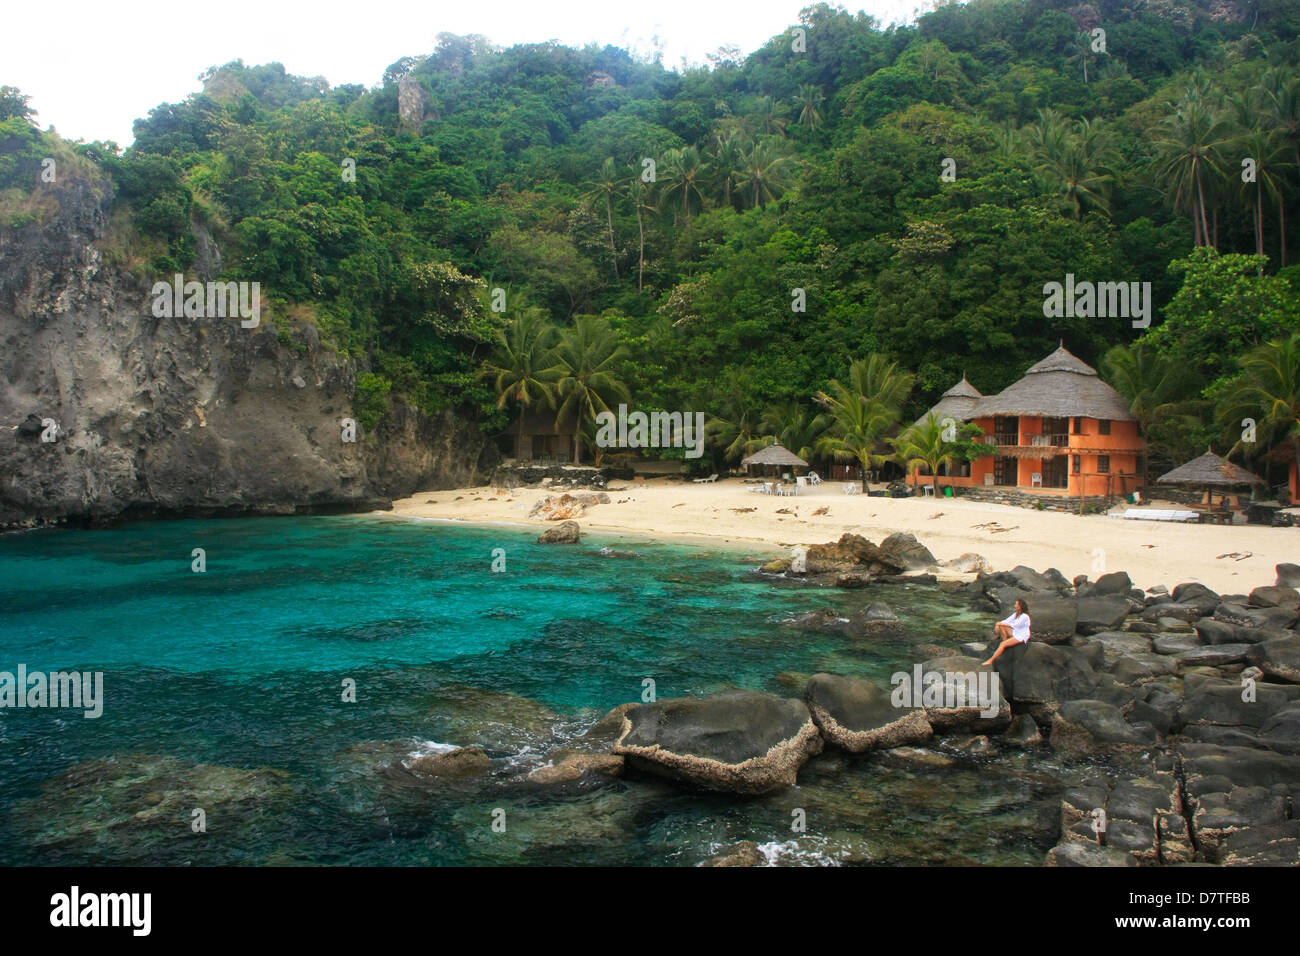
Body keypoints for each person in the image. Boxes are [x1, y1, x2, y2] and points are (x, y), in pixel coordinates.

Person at [981, 598, 1030, 666]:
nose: (1015, 605)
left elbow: (1015, 625)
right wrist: (999, 624)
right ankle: (1005, 642)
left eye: (1016, 604)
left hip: (1021, 636)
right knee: (1002, 626)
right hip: (1016, 633)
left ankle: (991, 661)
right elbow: (1006, 621)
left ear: (1020, 606)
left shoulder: (1025, 616)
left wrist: (999, 624)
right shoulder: (1016, 614)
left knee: (1002, 644)